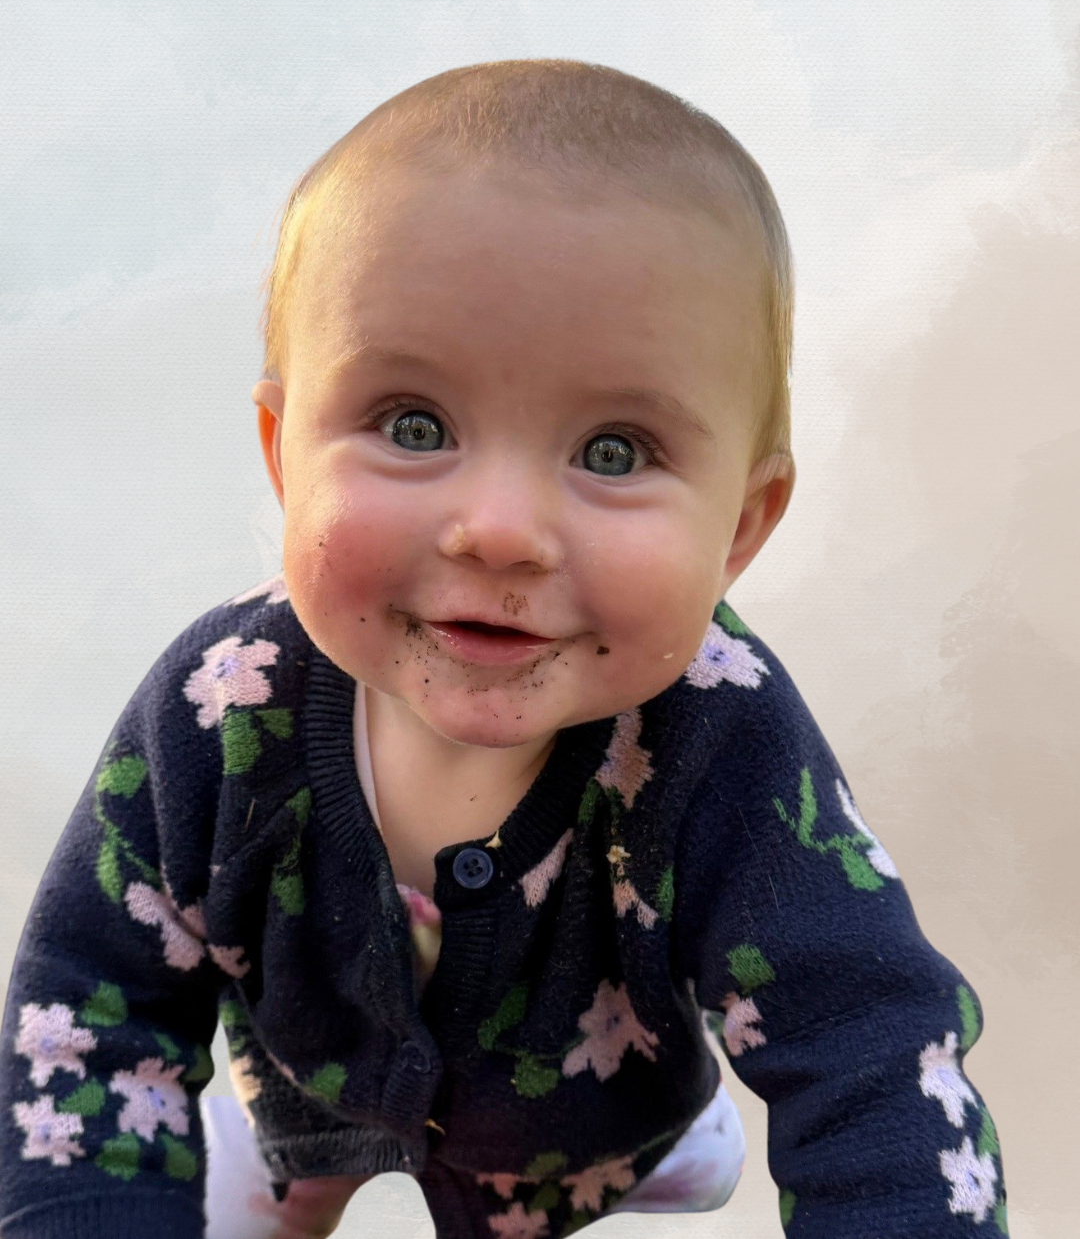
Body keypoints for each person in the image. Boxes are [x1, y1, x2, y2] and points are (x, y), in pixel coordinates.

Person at [0, 60, 1007, 1239]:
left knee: (638, 1158)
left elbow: (871, 1048)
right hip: (310, 1093)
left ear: (737, 530)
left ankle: (669, 1145)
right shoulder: (218, 706)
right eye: (413, 425)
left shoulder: (723, 734)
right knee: (256, 1175)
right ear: (283, 456)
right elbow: (88, 1009)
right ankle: (313, 1168)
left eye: (614, 451)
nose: (500, 530)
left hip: (595, 1135)